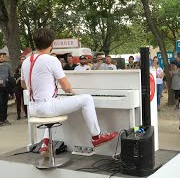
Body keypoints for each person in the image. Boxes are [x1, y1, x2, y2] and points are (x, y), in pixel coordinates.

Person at [21, 28, 118, 157]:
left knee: (55, 107)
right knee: (87, 99)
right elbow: (66, 87)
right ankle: (96, 137)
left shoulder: (27, 61)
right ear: (52, 44)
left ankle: (45, 143)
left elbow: (23, 85)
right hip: (47, 107)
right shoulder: (51, 60)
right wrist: (72, 93)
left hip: (33, 108)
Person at [0, 54, 11, 126]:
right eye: (0, 57)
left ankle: (4, 118)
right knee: (0, 103)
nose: (1, 58)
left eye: (2, 57)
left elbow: (10, 75)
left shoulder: (7, 65)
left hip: (5, 87)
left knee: (4, 103)